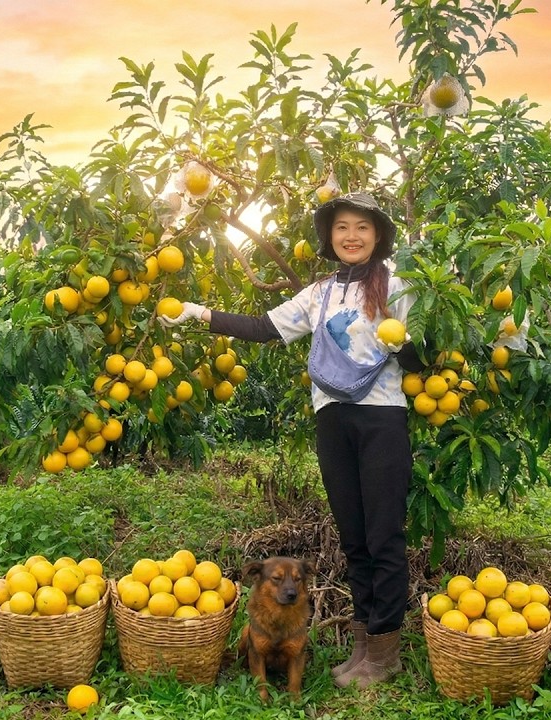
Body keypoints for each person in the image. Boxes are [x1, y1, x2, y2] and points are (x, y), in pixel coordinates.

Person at [160, 192, 423, 689]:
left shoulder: (399, 286)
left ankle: (385, 650)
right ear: (330, 237)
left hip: (382, 417)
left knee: (384, 535)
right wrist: (197, 311)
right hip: (332, 418)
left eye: (362, 228)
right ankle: (364, 644)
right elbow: (264, 328)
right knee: (354, 536)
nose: (351, 236)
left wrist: (402, 345)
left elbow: (421, 362)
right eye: (342, 227)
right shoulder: (320, 293)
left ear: (378, 236)